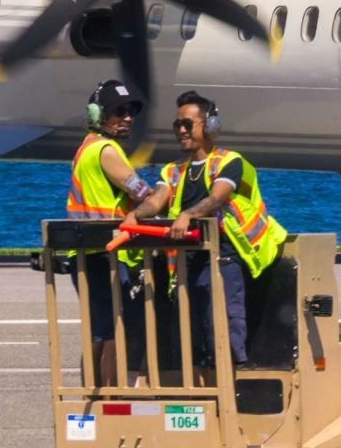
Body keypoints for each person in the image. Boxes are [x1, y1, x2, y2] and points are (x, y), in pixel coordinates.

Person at [134, 90, 290, 369]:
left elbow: (218, 196)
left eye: (187, 124)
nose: (181, 130)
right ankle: (202, 371)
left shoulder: (229, 161)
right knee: (192, 322)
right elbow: (157, 200)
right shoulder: (171, 171)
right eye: (177, 125)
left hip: (223, 256)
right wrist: (134, 215)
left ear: (209, 126)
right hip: (187, 259)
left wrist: (188, 215)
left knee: (225, 317)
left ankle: (235, 368)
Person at [69, 78, 157, 386]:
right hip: (102, 251)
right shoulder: (106, 150)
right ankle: (110, 397)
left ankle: (94, 394)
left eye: (130, 111)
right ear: (98, 116)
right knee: (111, 329)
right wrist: (162, 192)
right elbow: (142, 192)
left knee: (99, 327)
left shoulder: (87, 149)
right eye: (119, 111)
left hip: (89, 249)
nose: (127, 117)